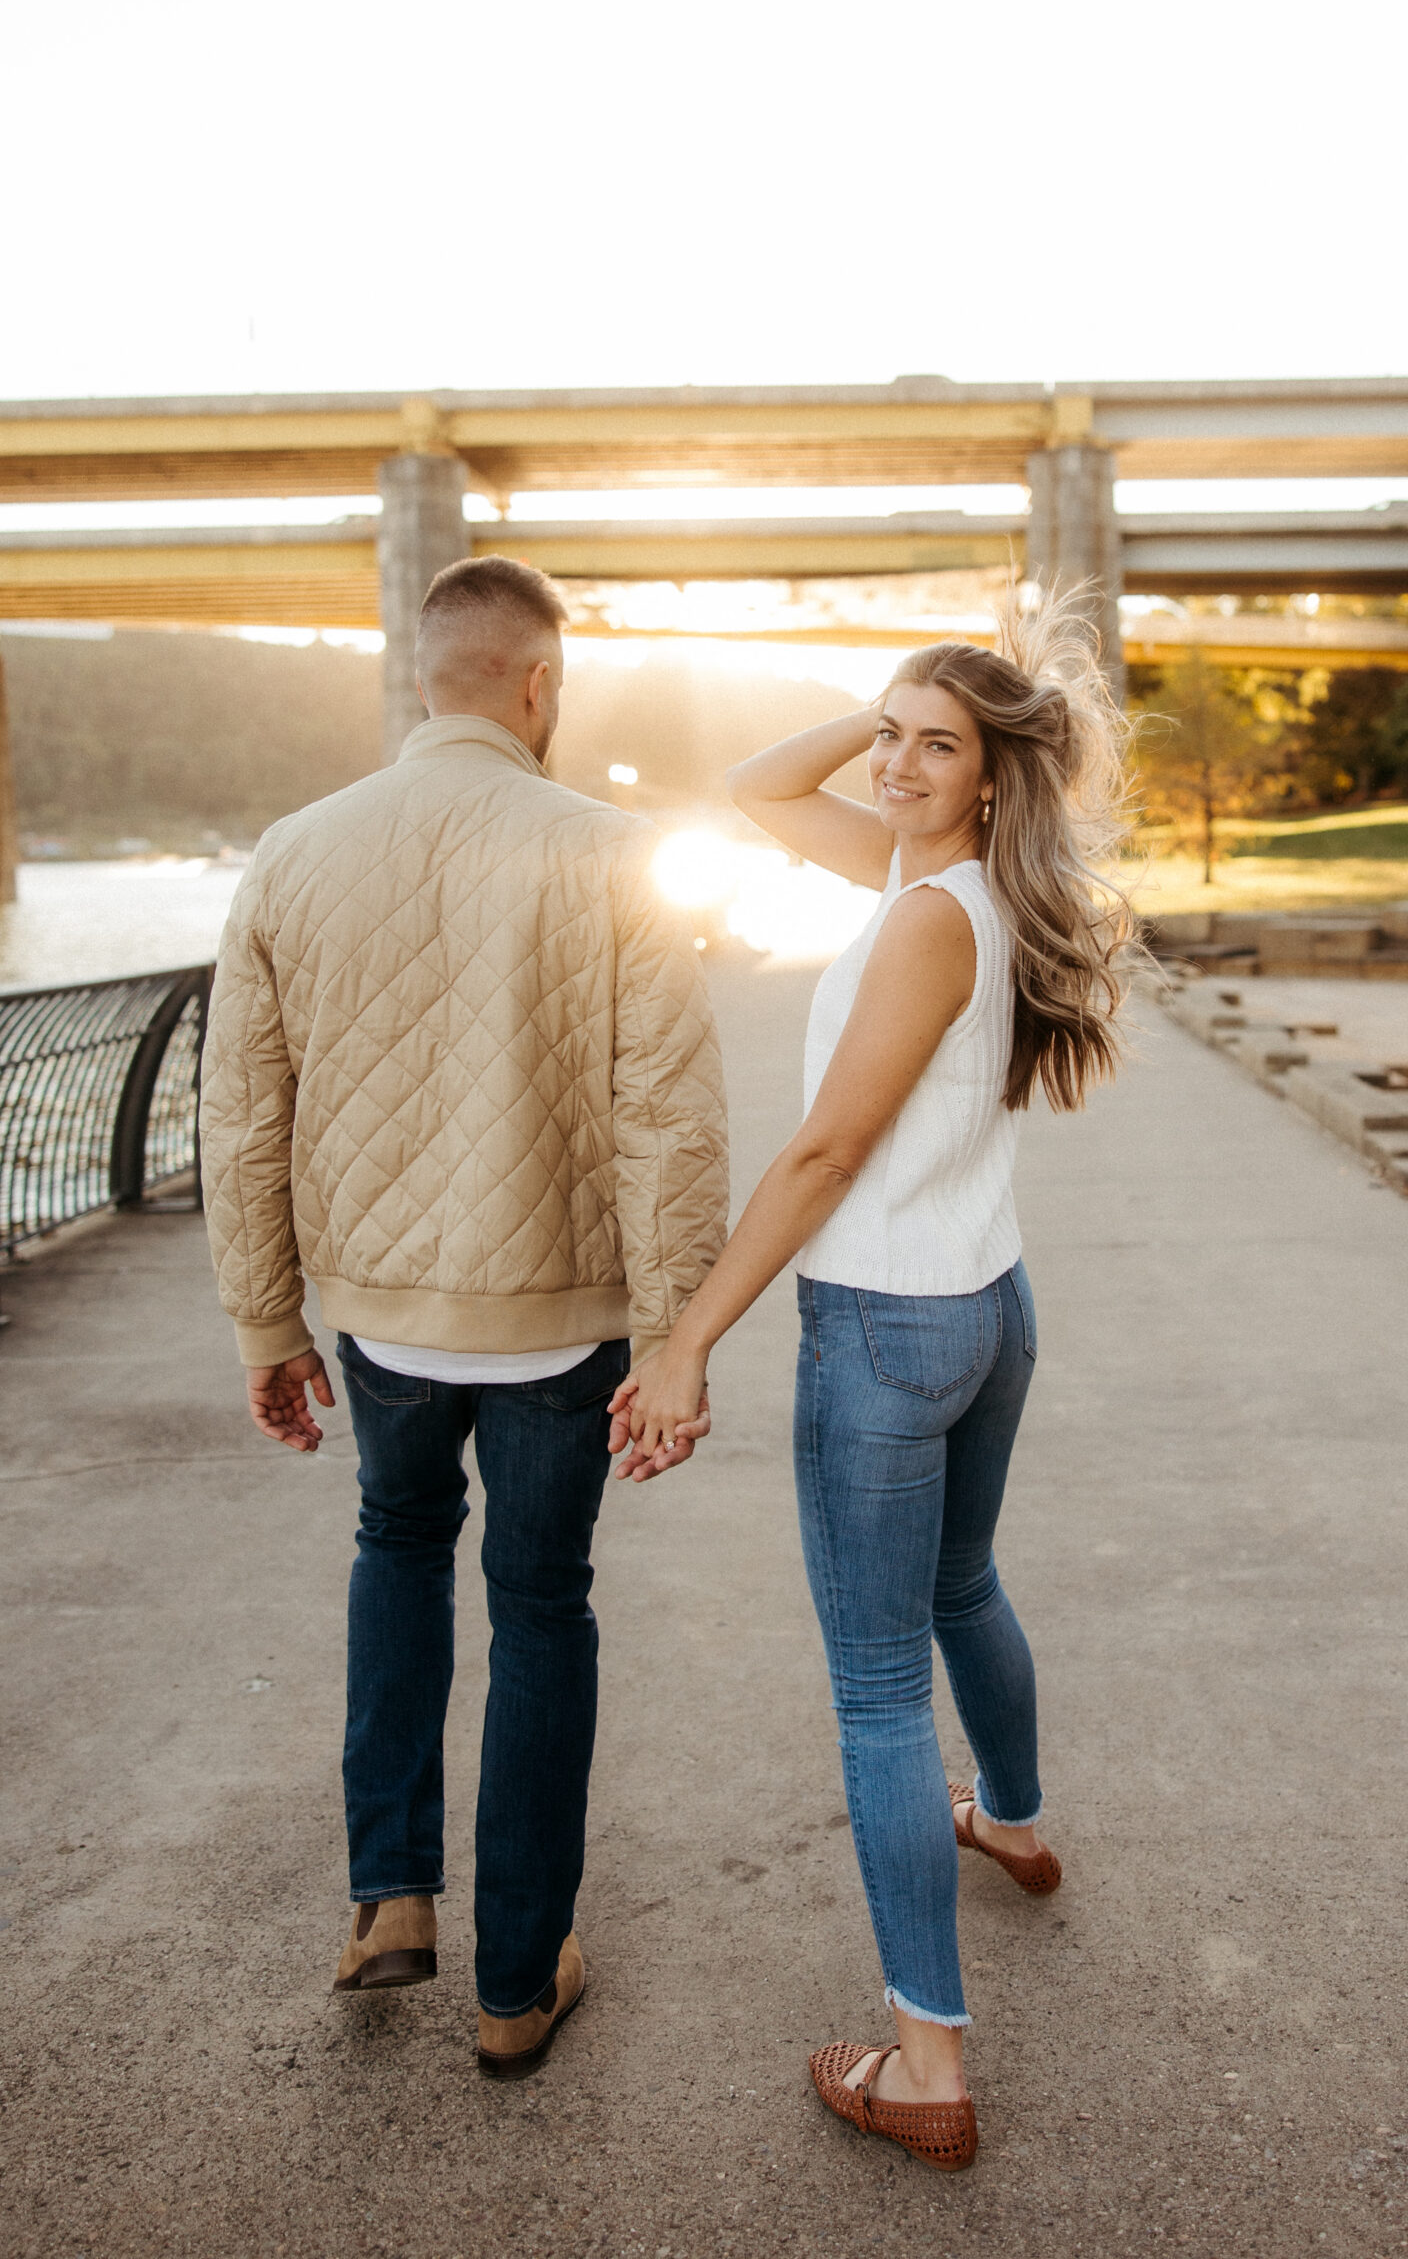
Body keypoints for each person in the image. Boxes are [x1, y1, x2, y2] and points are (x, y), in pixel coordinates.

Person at [608, 598, 1132, 2171]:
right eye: (890, 738)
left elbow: (827, 1152)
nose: (897, 764)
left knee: (881, 1692)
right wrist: (889, 707)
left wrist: (687, 1335)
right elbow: (756, 794)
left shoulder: (925, 916)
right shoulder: (955, 882)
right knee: (963, 1583)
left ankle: (925, 2062)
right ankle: (1017, 1824)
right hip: (988, 1305)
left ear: (993, 779)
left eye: (935, 747)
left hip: (888, 1330)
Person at [199, 554, 728, 2079]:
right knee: (542, 1604)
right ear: (539, 685)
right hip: (562, 1321)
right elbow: (669, 1121)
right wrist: (677, 1332)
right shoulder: (613, 849)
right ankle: (513, 1981)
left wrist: (263, 1325)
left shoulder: (293, 853)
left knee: (396, 1545)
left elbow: (242, 1116)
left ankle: (388, 1903)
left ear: (423, 672)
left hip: (377, 1323)